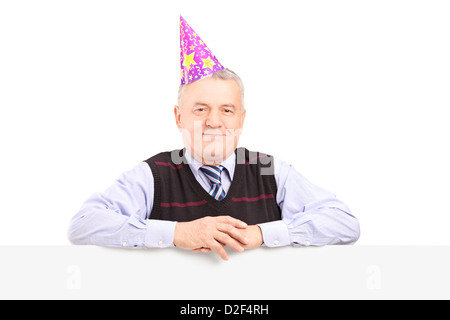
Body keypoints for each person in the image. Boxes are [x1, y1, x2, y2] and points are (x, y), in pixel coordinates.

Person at [68, 16, 360, 260]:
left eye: (227, 110)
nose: (214, 122)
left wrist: (262, 233)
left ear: (241, 119)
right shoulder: (153, 176)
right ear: (179, 117)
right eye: (200, 109)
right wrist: (177, 233)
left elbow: (344, 223)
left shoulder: (269, 170)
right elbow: (83, 225)